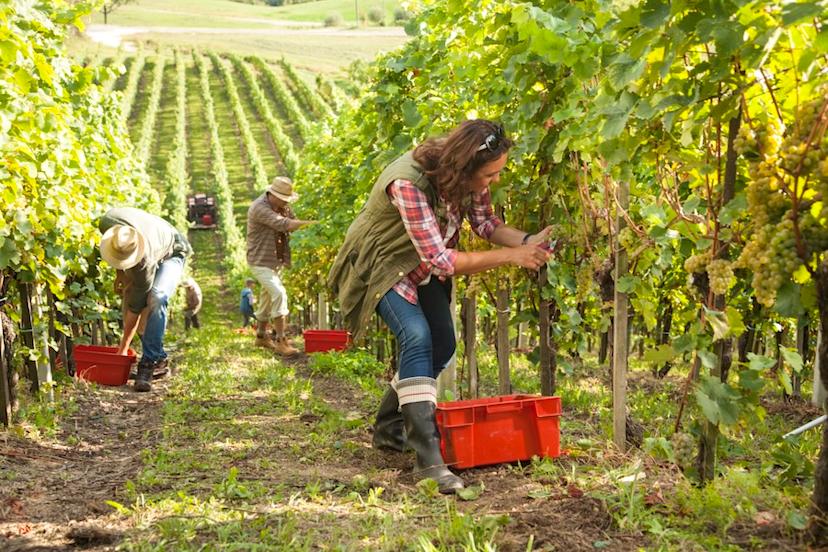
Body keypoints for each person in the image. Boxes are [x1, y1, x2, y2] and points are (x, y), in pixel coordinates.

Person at [328, 120, 553, 494]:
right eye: (490, 175)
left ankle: (389, 429)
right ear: (465, 167)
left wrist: (530, 240)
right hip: (384, 263)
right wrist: (512, 256)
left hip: (422, 263)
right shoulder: (407, 182)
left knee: (443, 345)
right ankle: (429, 461)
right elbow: (440, 260)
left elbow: (484, 223)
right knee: (416, 337)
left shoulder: (467, 175)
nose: (495, 180)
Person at [99, 207, 192, 392]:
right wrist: (119, 273)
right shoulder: (107, 222)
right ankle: (158, 355)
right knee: (133, 298)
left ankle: (150, 362)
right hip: (154, 236)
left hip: (173, 249)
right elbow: (119, 247)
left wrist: (123, 349)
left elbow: (135, 308)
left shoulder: (144, 263)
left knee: (157, 298)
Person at [246, 176, 315, 356]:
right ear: (273, 195)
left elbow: (293, 219)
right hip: (260, 261)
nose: (286, 203)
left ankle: (261, 336)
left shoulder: (282, 207)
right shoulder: (259, 208)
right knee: (279, 293)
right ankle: (280, 341)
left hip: (275, 261)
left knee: (267, 297)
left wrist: (307, 226)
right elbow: (285, 224)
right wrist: (313, 225)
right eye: (284, 199)